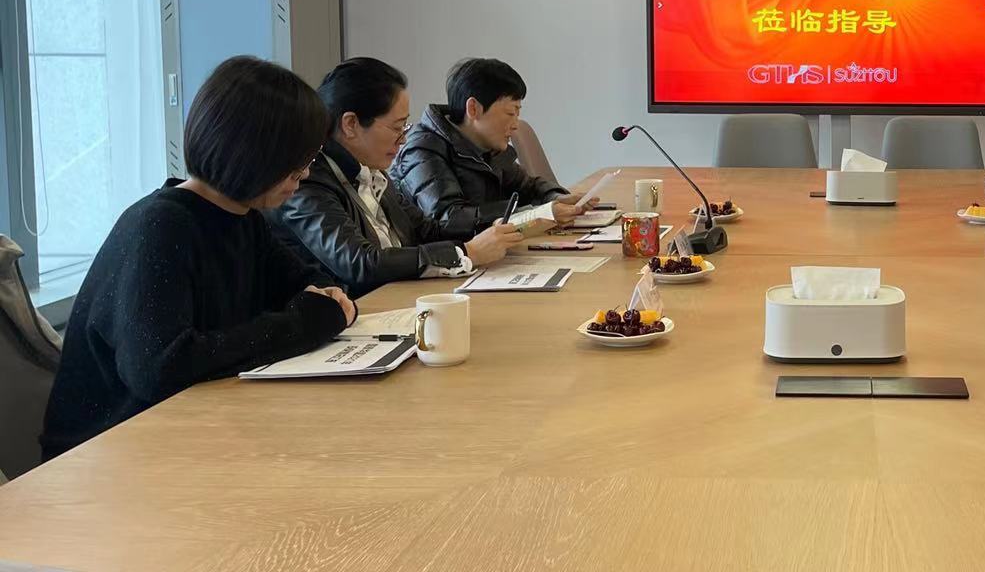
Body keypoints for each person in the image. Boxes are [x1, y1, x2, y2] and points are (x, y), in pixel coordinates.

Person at [40, 57, 356, 460]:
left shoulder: (244, 218)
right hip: (106, 453)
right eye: (297, 165)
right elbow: (159, 368)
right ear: (253, 155)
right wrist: (302, 323)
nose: (305, 175)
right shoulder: (161, 226)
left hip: (191, 428)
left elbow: (310, 288)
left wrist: (320, 308)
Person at [266, 58, 525, 298]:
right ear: (351, 124)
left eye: (405, 127)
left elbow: (426, 230)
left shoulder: (370, 170)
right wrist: (466, 253)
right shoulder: (306, 183)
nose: (402, 140)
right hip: (363, 312)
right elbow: (360, 263)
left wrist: (500, 224)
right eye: (397, 127)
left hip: (401, 298)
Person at [391, 57, 580, 236]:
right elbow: (448, 218)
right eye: (510, 113)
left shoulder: (487, 146)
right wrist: (534, 213)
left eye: (518, 113)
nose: (515, 125)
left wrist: (557, 197)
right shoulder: (422, 149)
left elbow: (527, 187)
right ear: (473, 108)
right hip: (452, 257)